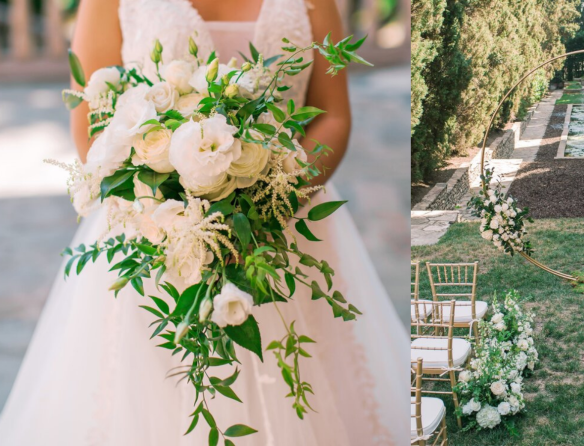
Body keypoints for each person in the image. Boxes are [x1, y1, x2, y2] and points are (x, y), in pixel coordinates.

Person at [0, 1, 406, 444]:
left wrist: (272, 202)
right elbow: (91, 128)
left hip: (285, 233)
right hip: (156, 240)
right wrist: (172, 211)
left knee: (303, 389)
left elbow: (332, 114)